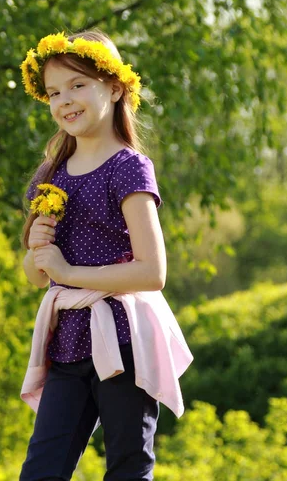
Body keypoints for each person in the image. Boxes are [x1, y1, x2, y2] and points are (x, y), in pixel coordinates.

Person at [17, 28, 193, 481]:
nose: (64, 100)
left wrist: (68, 271)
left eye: (78, 85)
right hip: (69, 343)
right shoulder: (50, 174)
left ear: (114, 89)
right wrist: (38, 251)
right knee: (41, 469)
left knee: (128, 468)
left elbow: (153, 272)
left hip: (124, 340)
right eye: (55, 92)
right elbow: (38, 277)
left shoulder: (128, 167)